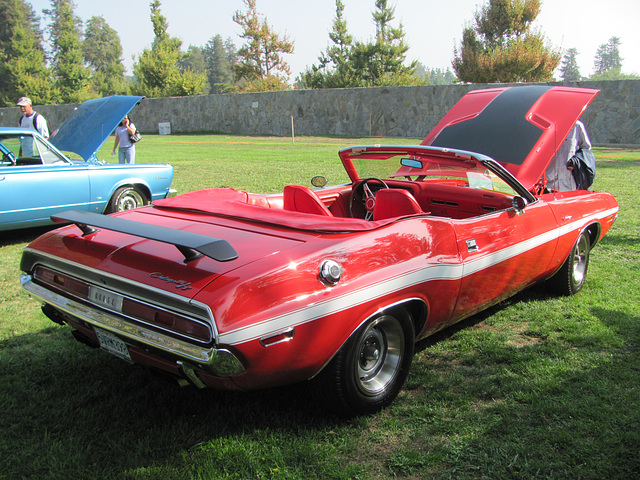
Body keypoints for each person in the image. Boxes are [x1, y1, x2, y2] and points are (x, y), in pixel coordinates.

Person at [545, 120, 592, 191]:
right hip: (549, 178)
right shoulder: (546, 124)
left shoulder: (577, 125)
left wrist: (576, 162)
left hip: (569, 178)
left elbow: (586, 148)